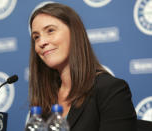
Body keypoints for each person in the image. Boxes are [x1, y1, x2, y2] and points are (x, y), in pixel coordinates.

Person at [28, 2, 137, 131]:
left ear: (74, 33)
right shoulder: (44, 101)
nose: (42, 42)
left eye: (50, 31)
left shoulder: (109, 89)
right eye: (36, 37)